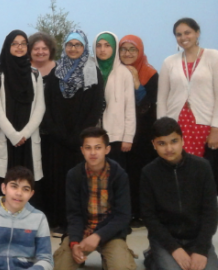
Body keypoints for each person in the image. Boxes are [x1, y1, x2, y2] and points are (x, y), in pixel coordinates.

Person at [40, 30, 104, 232]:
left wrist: (80, 134)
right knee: (57, 180)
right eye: (70, 44)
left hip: (81, 141)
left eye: (78, 45)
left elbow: (96, 106)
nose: (73, 48)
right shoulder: (55, 72)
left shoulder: (93, 72)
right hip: (56, 139)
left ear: (84, 48)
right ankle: (58, 219)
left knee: (79, 182)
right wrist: (57, 132)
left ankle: (77, 222)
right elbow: (46, 105)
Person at [52, 127, 136, 270]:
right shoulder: (74, 175)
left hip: (110, 234)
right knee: (61, 266)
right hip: (83, 232)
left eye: (98, 147)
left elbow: (122, 216)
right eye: (88, 148)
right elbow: (74, 214)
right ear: (82, 150)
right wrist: (74, 242)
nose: (93, 153)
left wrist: (98, 236)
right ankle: (79, 256)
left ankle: (114, 255)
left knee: (120, 267)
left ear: (107, 150)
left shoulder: (119, 175)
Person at [141, 117, 218, 270]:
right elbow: (149, 216)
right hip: (166, 240)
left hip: (197, 238)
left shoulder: (202, 167)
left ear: (182, 140)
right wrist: (174, 249)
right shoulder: (148, 173)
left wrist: (201, 250)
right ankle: (153, 257)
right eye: (162, 143)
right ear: (154, 145)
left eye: (174, 141)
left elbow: (210, 212)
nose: (169, 148)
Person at [157, 18, 218, 185]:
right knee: (178, 169)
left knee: (202, 170)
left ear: (197, 33)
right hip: (177, 125)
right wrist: (161, 127)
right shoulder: (169, 62)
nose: (183, 37)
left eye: (187, 32)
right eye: (178, 34)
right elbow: (162, 98)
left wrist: (216, 128)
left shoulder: (213, 57)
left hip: (204, 124)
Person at [0, 30, 45, 202]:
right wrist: (14, 136)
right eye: (15, 43)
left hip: (27, 139)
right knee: (5, 181)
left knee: (27, 181)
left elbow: (40, 108)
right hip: (6, 138)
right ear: (8, 46)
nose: (19, 47)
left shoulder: (35, 74)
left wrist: (24, 134)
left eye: (23, 43)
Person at [0, 166, 53, 270]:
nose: (19, 193)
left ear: (31, 194)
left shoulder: (39, 218)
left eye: (25, 189)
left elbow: (47, 260)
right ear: (4, 188)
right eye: (14, 186)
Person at [118, 34, 158, 226]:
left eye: (132, 49)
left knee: (140, 173)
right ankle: (126, 211)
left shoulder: (150, 73)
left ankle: (141, 213)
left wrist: (136, 82)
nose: (127, 53)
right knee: (123, 172)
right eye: (123, 49)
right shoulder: (115, 72)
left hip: (142, 133)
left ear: (140, 51)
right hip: (121, 130)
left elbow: (147, 106)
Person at [93, 31, 135, 169]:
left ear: (114, 48)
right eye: (98, 46)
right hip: (93, 134)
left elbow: (129, 107)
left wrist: (128, 137)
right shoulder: (90, 70)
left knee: (114, 173)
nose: (102, 49)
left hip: (116, 135)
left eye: (107, 45)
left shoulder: (123, 73)